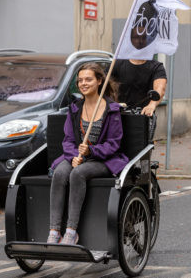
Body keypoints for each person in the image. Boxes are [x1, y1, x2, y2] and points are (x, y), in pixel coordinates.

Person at [47, 62, 129, 245]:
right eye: (80, 80)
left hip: (102, 159)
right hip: (78, 157)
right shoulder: (75, 108)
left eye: (88, 79)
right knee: (60, 172)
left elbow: (114, 144)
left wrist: (91, 150)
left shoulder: (112, 109)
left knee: (78, 174)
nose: (83, 83)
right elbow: (67, 140)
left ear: (99, 81)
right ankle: (53, 231)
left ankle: (71, 231)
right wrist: (73, 156)